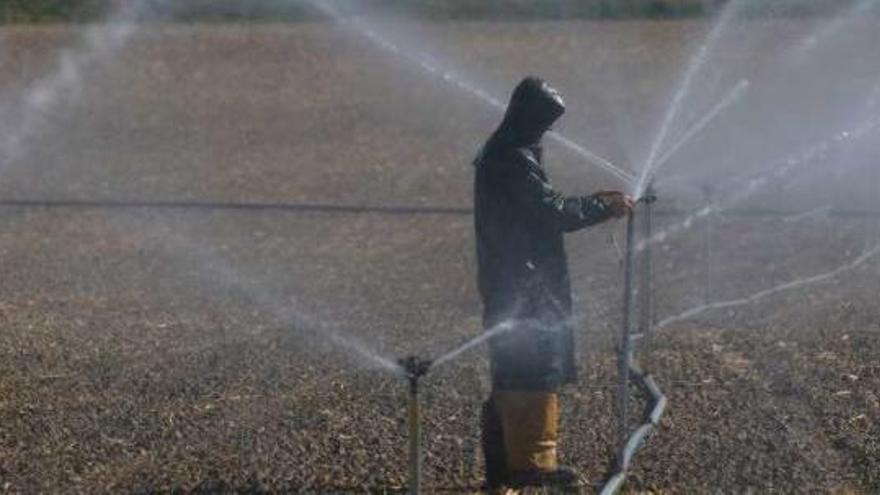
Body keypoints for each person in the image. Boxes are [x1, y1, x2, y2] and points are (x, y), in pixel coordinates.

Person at [473, 76, 633, 492]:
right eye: (544, 123)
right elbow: (550, 212)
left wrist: (595, 201)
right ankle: (527, 466)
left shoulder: (507, 151)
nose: (547, 131)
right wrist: (603, 206)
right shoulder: (509, 158)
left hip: (517, 279)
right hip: (521, 283)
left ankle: (512, 467)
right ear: (527, 117)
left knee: (518, 368)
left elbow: (544, 202)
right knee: (530, 365)